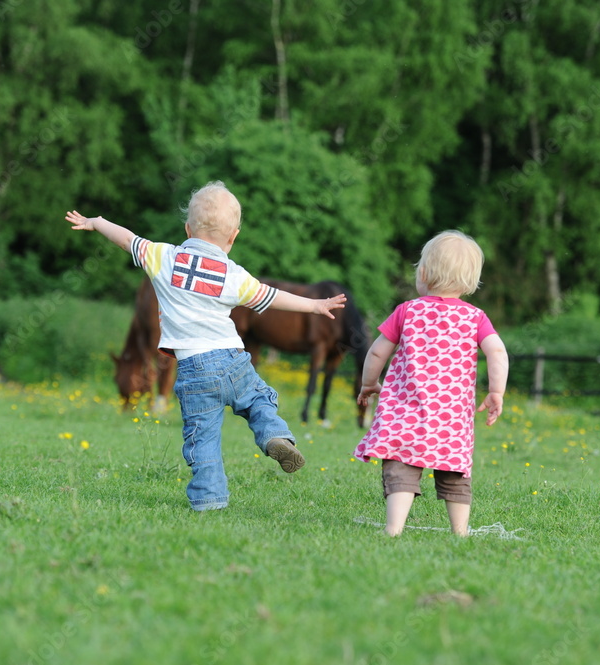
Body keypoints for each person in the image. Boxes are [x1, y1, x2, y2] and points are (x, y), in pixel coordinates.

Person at [65, 181, 346, 512]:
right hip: (233, 361)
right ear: (233, 237)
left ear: (187, 228)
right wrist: (313, 306)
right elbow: (271, 296)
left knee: (203, 439)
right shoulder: (233, 275)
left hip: (194, 372)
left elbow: (126, 239)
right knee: (258, 399)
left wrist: (97, 222)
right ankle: (273, 435)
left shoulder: (164, 257)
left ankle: (209, 499)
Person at [354, 230, 508, 536]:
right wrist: (495, 391)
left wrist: (369, 383)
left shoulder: (407, 311)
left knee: (400, 463)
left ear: (422, 273)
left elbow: (376, 352)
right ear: (470, 282)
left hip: (405, 413)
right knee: (454, 469)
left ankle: (394, 527)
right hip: (450, 419)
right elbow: (497, 351)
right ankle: (460, 530)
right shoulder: (475, 318)